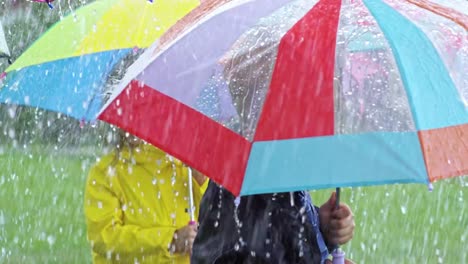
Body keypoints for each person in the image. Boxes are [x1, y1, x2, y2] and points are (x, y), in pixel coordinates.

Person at [191, 3, 355, 263]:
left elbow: (286, 231)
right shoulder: (252, 186)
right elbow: (267, 249)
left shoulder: (274, 172)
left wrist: (319, 227)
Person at [84, 131, 208, 263]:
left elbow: (214, 220)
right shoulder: (106, 172)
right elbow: (104, 239)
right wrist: (170, 240)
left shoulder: (184, 164)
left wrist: (201, 180)